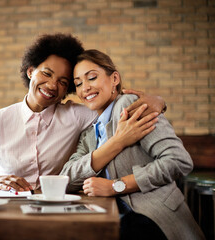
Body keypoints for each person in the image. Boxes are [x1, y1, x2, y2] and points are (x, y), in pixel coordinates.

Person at [0, 33, 165, 191]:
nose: (51, 85)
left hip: (60, 206)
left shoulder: (77, 115)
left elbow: (112, 103)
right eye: (47, 74)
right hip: (8, 208)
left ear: (68, 90)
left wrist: (159, 102)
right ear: (30, 71)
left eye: (63, 82)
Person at [60, 49, 205, 239]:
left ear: (115, 79)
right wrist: (117, 143)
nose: (84, 87)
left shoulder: (130, 107)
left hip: (154, 217)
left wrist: (115, 186)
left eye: (92, 77)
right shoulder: (90, 132)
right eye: (78, 83)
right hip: (117, 217)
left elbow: (179, 160)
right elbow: (66, 178)